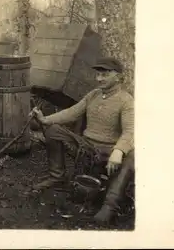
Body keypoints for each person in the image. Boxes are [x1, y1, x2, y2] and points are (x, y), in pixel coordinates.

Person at [31, 56, 134, 224]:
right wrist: (45, 120)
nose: (99, 79)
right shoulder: (93, 95)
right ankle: (57, 176)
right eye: (98, 75)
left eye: (105, 74)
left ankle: (109, 206)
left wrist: (118, 150)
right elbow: (72, 112)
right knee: (52, 130)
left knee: (132, 155)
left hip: (108, 150)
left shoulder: (126, 101)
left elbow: (130, 131)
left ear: (118, 76)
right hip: (86, 146)